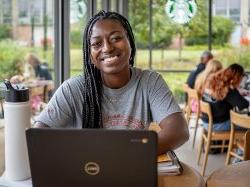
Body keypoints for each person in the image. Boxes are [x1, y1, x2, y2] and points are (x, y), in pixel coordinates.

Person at [34, 10, 189, 155]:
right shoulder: (73, 88)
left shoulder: (149, 82)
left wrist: (123, 154)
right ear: (90, 55)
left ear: (129, 41)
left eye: (116, 38)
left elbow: (179, 130)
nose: (107, 48)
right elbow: (39, 135)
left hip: (131, 172)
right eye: (96, 44)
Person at [201, 63, 249, 131]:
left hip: (206, 122)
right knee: (247, 124)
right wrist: (236, 91)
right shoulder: (228, 89)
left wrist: (237, 92)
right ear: (236, 78)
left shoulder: (212, 80)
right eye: (240, 79)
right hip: (219, 125)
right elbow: (243, 105)